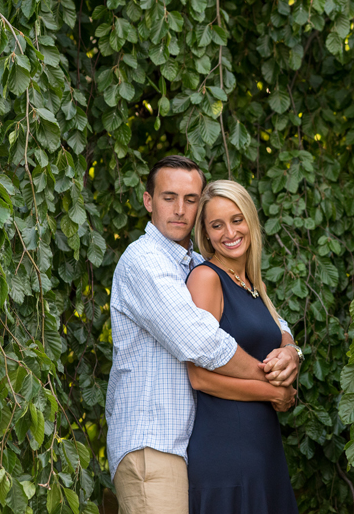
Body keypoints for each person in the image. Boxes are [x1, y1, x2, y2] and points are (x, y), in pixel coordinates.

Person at [105, 156, 302, 514]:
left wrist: (291, 353)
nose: (180, 209)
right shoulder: (145, 261)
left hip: (185, 446)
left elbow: (273, 323)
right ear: (148, 201)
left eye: (191, 199)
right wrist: (273, 385)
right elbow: (202, 342)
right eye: (169, 197)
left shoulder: (196, 264)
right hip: (154, 446)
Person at [184, 180, 300, 514]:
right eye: (216, 225)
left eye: (237, 220)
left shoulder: (251, 282)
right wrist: (272, 393)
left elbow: (280, 333)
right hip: (226, 451)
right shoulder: (206, 278)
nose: (229, 232)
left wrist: (292, 352)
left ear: (250, 220)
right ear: (205, 235)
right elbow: (200, 377)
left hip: (262, 447)